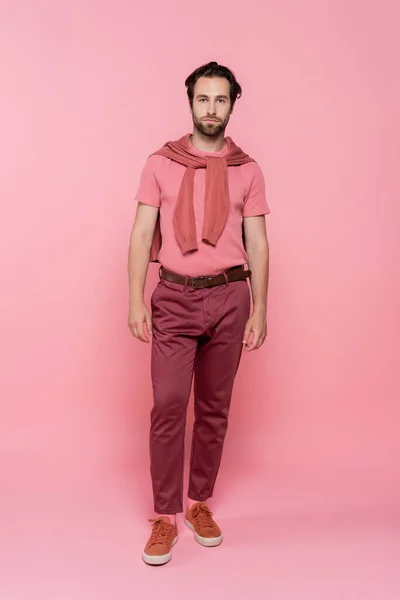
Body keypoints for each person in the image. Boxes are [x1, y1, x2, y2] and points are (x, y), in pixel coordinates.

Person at [128, 61, 270, 566]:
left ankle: (198, 503)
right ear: (190, 102)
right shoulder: (159, 163)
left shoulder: (248, 169)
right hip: (174, 295)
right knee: (168, 404)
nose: (211, 108)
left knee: (214, 409)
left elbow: (257, 240)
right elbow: (142, 233)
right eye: (203, 99)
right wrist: (133, 299)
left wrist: (261, 309)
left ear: (233, 104)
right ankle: (164, 515)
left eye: (221, 100)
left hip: (231, 296)